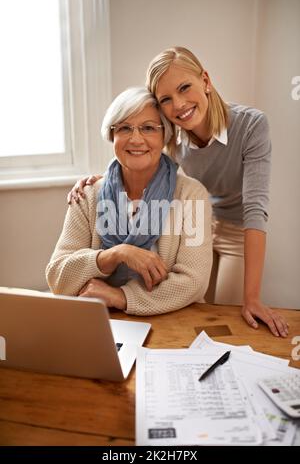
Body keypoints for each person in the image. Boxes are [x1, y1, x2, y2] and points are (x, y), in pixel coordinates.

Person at [67, 47, 289, 337]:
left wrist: (253, 298)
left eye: (185, 87)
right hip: (194, 223)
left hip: (236, 227)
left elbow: (255, 210)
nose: (179, 104)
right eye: (166, 99)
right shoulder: (173, 131)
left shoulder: (251, 125)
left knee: (226, 316)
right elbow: (140, 152)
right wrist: (101, 179)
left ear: (206, 81)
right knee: (189, 308)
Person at [46, 87, 212, 315]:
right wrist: (116, 254)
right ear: (112, 135)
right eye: (124, 128)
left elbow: (194, 282)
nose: (135, 139)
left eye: (148, 128)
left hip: (174, 321)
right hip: (104, 323)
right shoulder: (88, 195)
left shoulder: (192, 196)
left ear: (165, 135)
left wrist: (121, 297)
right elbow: (58, 277)